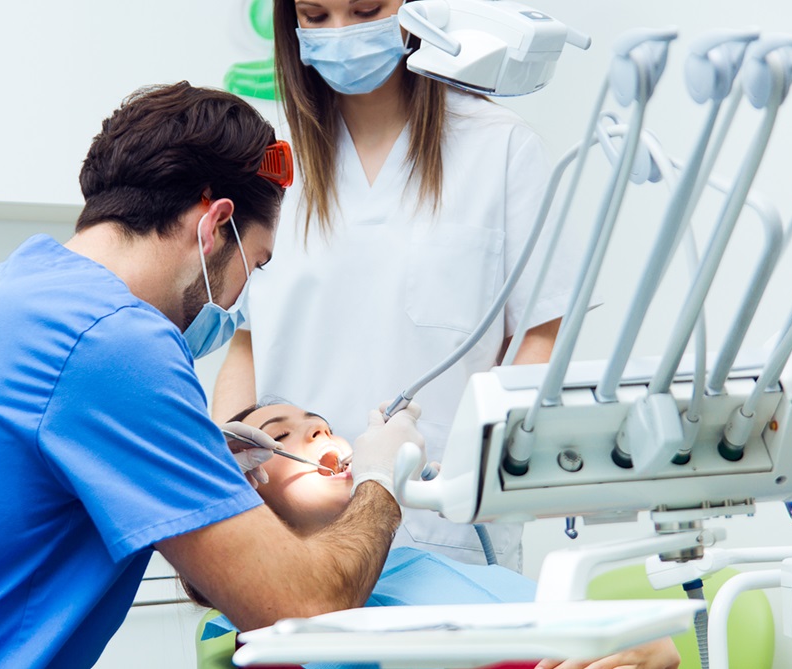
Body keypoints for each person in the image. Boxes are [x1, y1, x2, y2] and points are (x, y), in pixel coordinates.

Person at [0, 82, 426, 668]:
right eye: (256, 264)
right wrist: (381, 478)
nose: (242, 297)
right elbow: (302, 609)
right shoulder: (115, 341)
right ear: (214, 227)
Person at [212, 0, 582, 571]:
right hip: (296, 539)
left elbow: (540, 339)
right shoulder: (272, 162)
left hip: (447, 524)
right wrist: (229, 504)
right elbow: (246, 340)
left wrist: (469, 471)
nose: (342, 34)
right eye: (314, 16)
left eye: (366, 10)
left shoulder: (500, 148)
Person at [192, 401, 681, 669]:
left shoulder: (420, 571)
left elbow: (641, 648)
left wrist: (642, 646)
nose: (320, 433)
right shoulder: (266, 631)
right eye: (278, 437)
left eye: (322, 425)